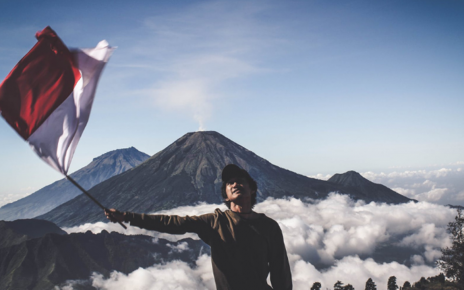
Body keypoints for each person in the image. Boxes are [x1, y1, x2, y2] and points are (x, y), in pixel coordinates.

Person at [105, 164, 292, 290]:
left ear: (252, 189)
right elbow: (173, 223)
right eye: (229, 183)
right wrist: (127, 217)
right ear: (225, 196)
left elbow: (280, 272)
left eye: (240, 180)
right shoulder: (215, 222)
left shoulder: (269, 227)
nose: (235, 184)